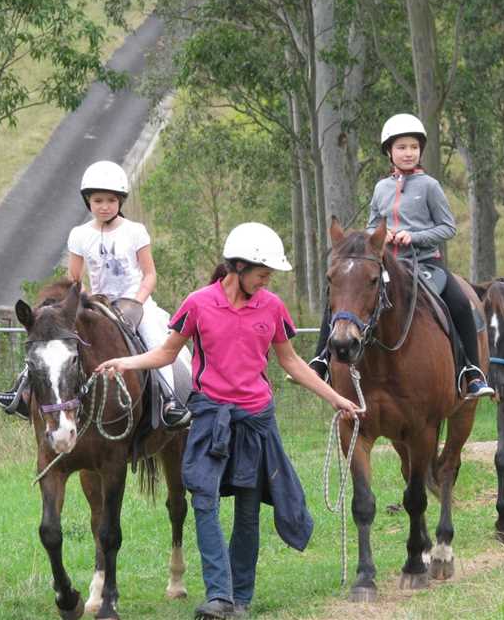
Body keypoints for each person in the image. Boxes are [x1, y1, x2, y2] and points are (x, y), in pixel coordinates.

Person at [96, 222, 359, 620]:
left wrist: (337, 398)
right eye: (262, 272)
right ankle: (219, 595)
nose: (268, 279)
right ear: (238, 266)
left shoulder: (271, 307)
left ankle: (241, 599)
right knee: (203, 501)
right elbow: (167, 353)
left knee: (249, 511)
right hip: (209, 418)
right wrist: (125, 361)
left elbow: (290, 362)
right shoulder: (199, 303)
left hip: (255, 420)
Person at [0, 160, 191, 428]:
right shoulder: (80, 234)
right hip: (99, 304)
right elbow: (74, 279)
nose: (104, 206)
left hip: (137, 303)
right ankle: (21, 393)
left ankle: (168, 401)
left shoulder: (135, 231)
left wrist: (137, 303)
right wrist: (85, 301)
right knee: (49, 340)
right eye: (98, 200)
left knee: (154, 341)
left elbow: (150, 274)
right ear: (88, 202)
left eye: (111, 200)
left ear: (120, 201)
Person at [308, 113, 494, 399]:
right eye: (401, 147)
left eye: (413, 147)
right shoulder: (381, 188)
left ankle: (471, 372)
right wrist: (381, 236)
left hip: (426, 264)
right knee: (341, 295)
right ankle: (321, 361)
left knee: (459, 303)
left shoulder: (430, 186)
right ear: (389, 152)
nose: (408, 153)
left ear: (420, 151)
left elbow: (447, 227)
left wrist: (413, 236)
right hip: (386, 264)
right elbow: (373, 224)